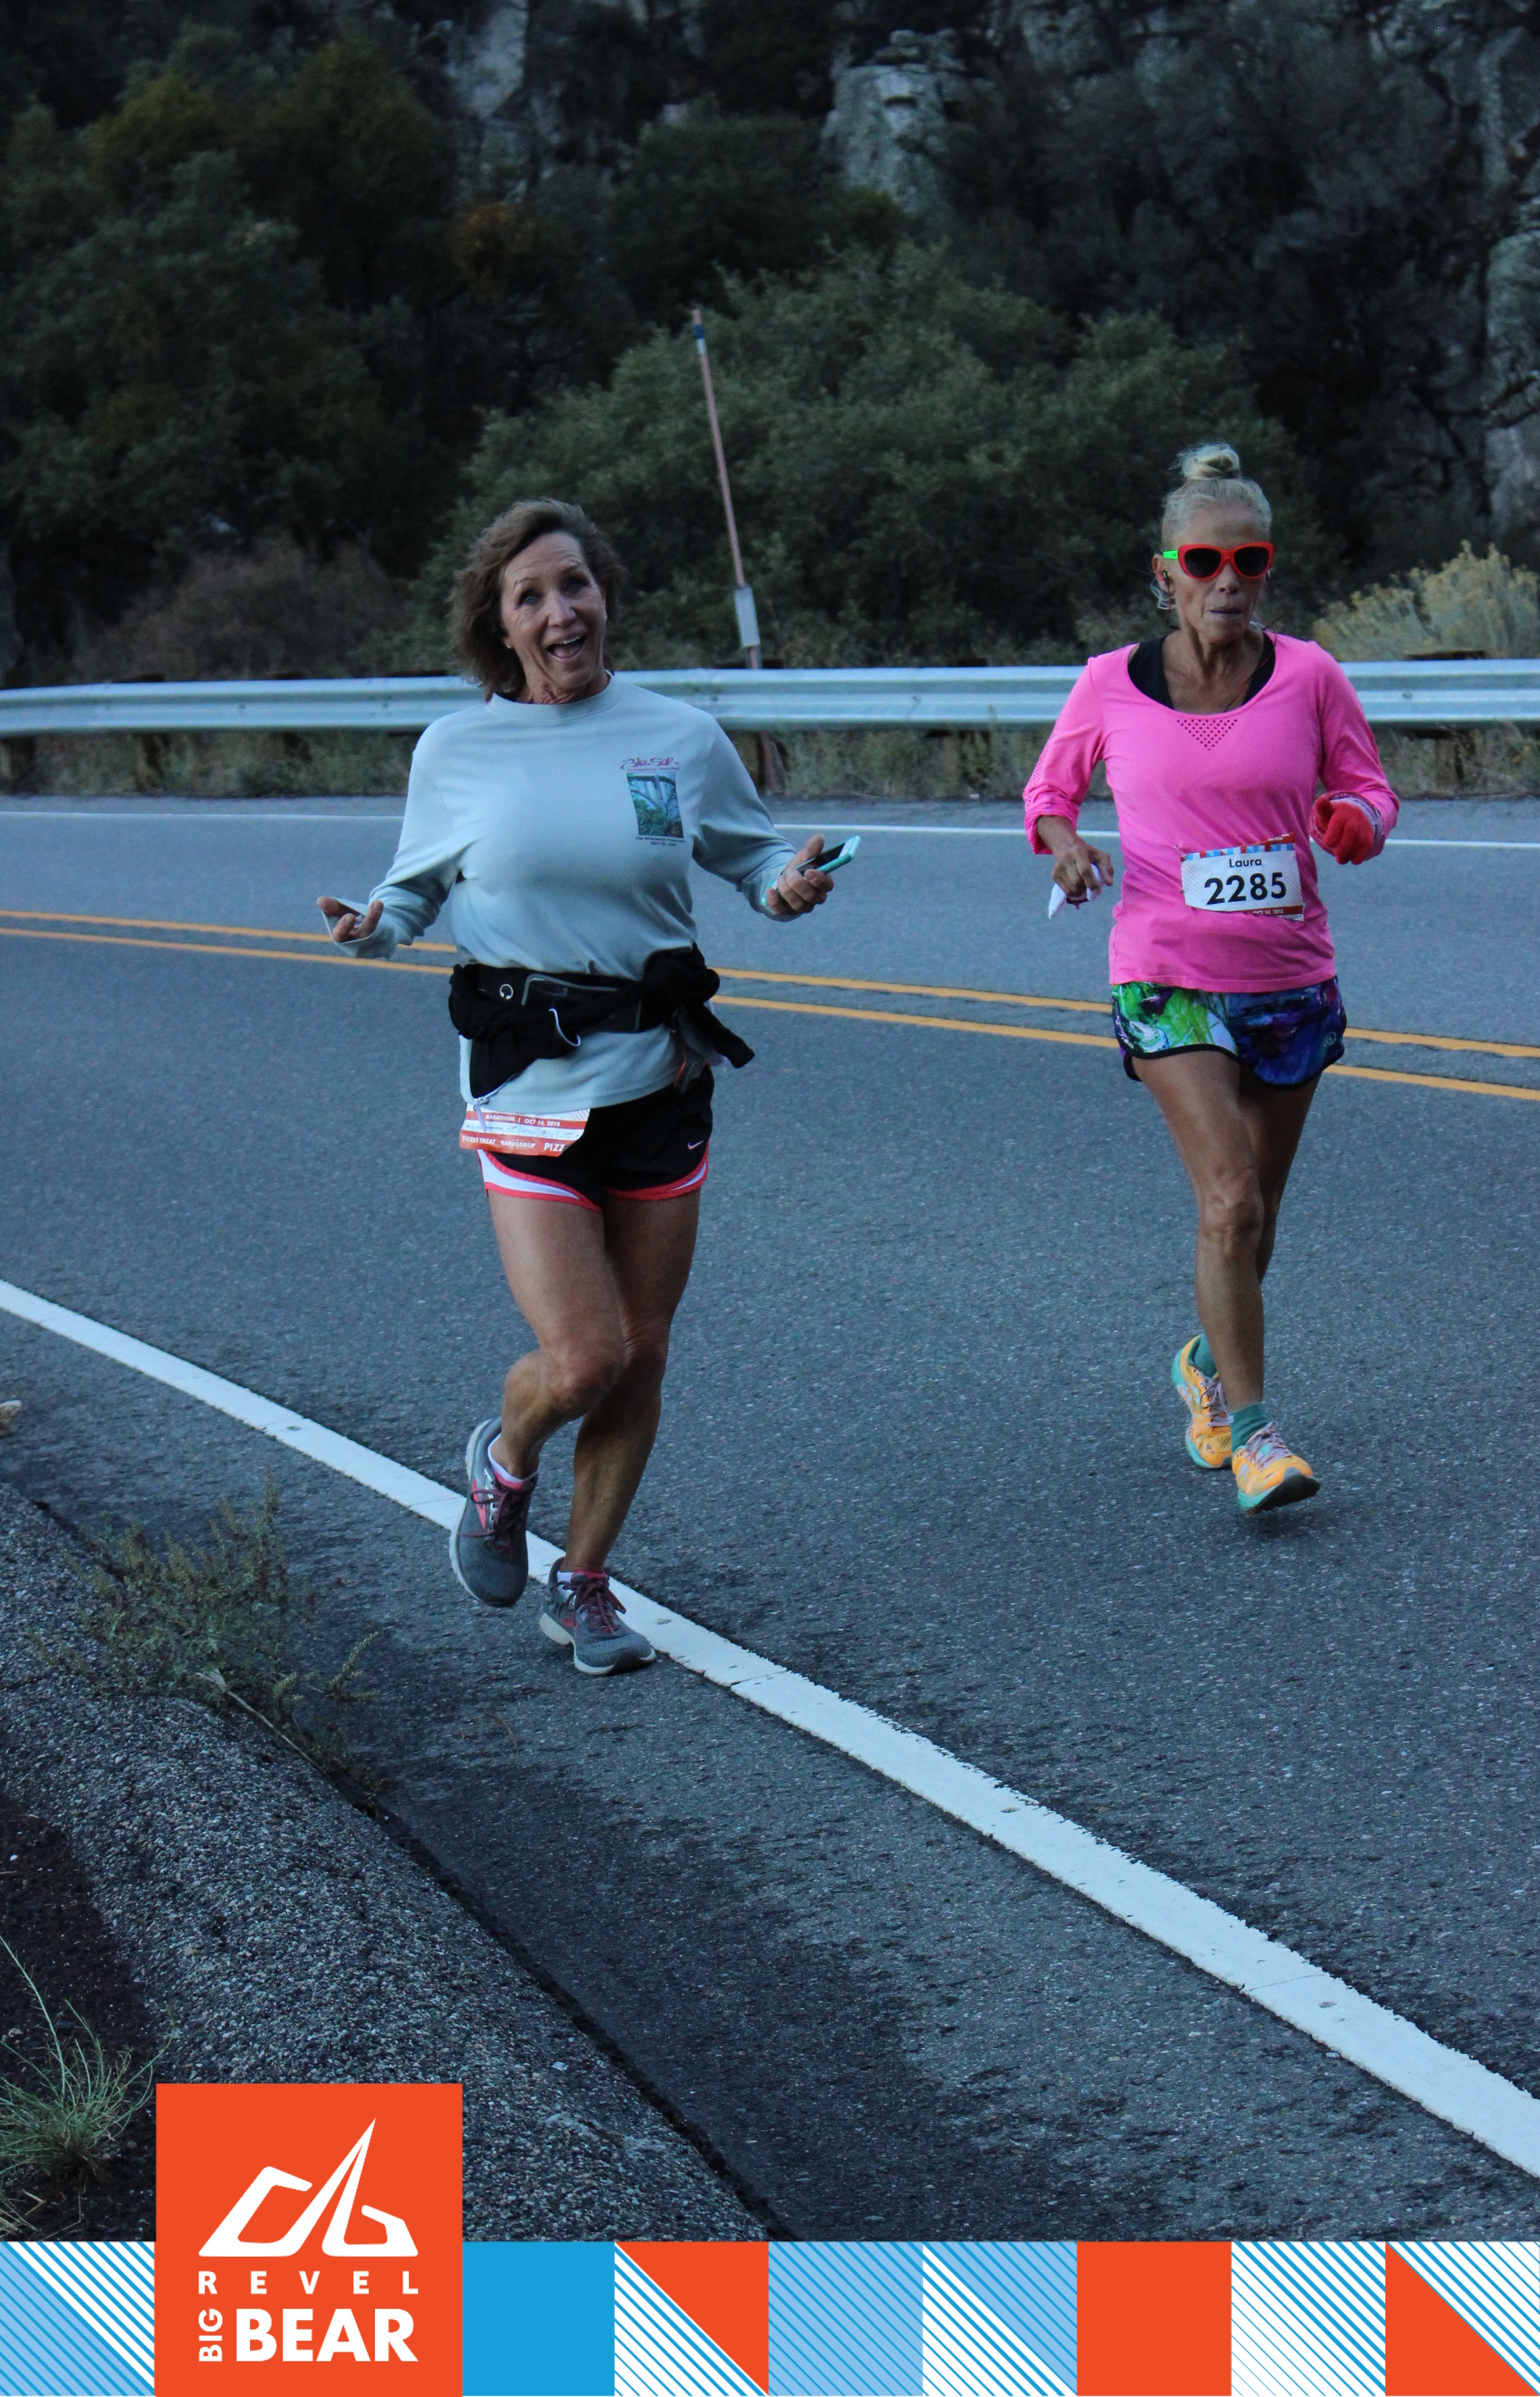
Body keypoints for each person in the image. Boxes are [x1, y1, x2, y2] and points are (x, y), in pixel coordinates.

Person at [319, 497, 837, 1667]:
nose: (561, 612)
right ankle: (504, 1467)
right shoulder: (458, 751)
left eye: (575, 585)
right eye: (531, 597)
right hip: (529, 1084)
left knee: (642, 1352)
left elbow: (751, 856)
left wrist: (787, 884)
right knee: (585, 1358)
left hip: (659, 1076)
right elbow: (413, 888)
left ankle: (586, 1580)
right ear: (499, 626)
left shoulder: (678, 736)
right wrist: (373, 924)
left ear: (605, 596)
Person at [1023, 443, 1397, 1513]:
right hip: (1165, 974)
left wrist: (1354, 821)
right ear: (1166, 573)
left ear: (1267, 567)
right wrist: (1065, 844)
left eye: (1249, 560)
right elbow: (1048, 794)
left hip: (1289, 977)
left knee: (1255, 1219)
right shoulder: (1110, 684)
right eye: (1204, 561)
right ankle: (1255, 1433)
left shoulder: (1311, 676)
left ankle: (1203, 1363)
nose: (1227, 580)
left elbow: (1372, 789)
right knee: (1227, 1196)